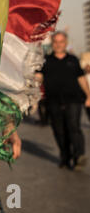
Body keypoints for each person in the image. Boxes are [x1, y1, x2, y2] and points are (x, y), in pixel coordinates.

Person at [36, 31, 88, 170]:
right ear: (53, 43)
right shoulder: (45, 60)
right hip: (53, 101)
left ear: (66, 43)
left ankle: (79, 156)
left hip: (73, 100)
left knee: (74, 127)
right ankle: (65, 157)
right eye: (56, 42)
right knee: (59, 131)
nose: (58, 45)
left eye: (61, 42)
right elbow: (38, 78)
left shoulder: (73, 59)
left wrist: (89, 96)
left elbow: (81, 79)